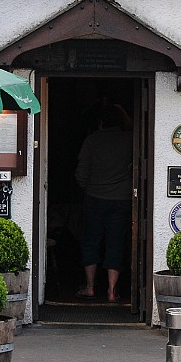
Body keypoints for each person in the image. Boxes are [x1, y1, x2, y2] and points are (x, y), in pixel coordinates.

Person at [74, 105, 132, 302]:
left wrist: (88, 188)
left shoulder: (92, 140)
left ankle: (89, 287)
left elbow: (81, 172)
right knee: (116, 242)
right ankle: (112, 291)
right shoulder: (130, 139)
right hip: (122, 198)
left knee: (91, 240)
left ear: (100, 123)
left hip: (94, 197)